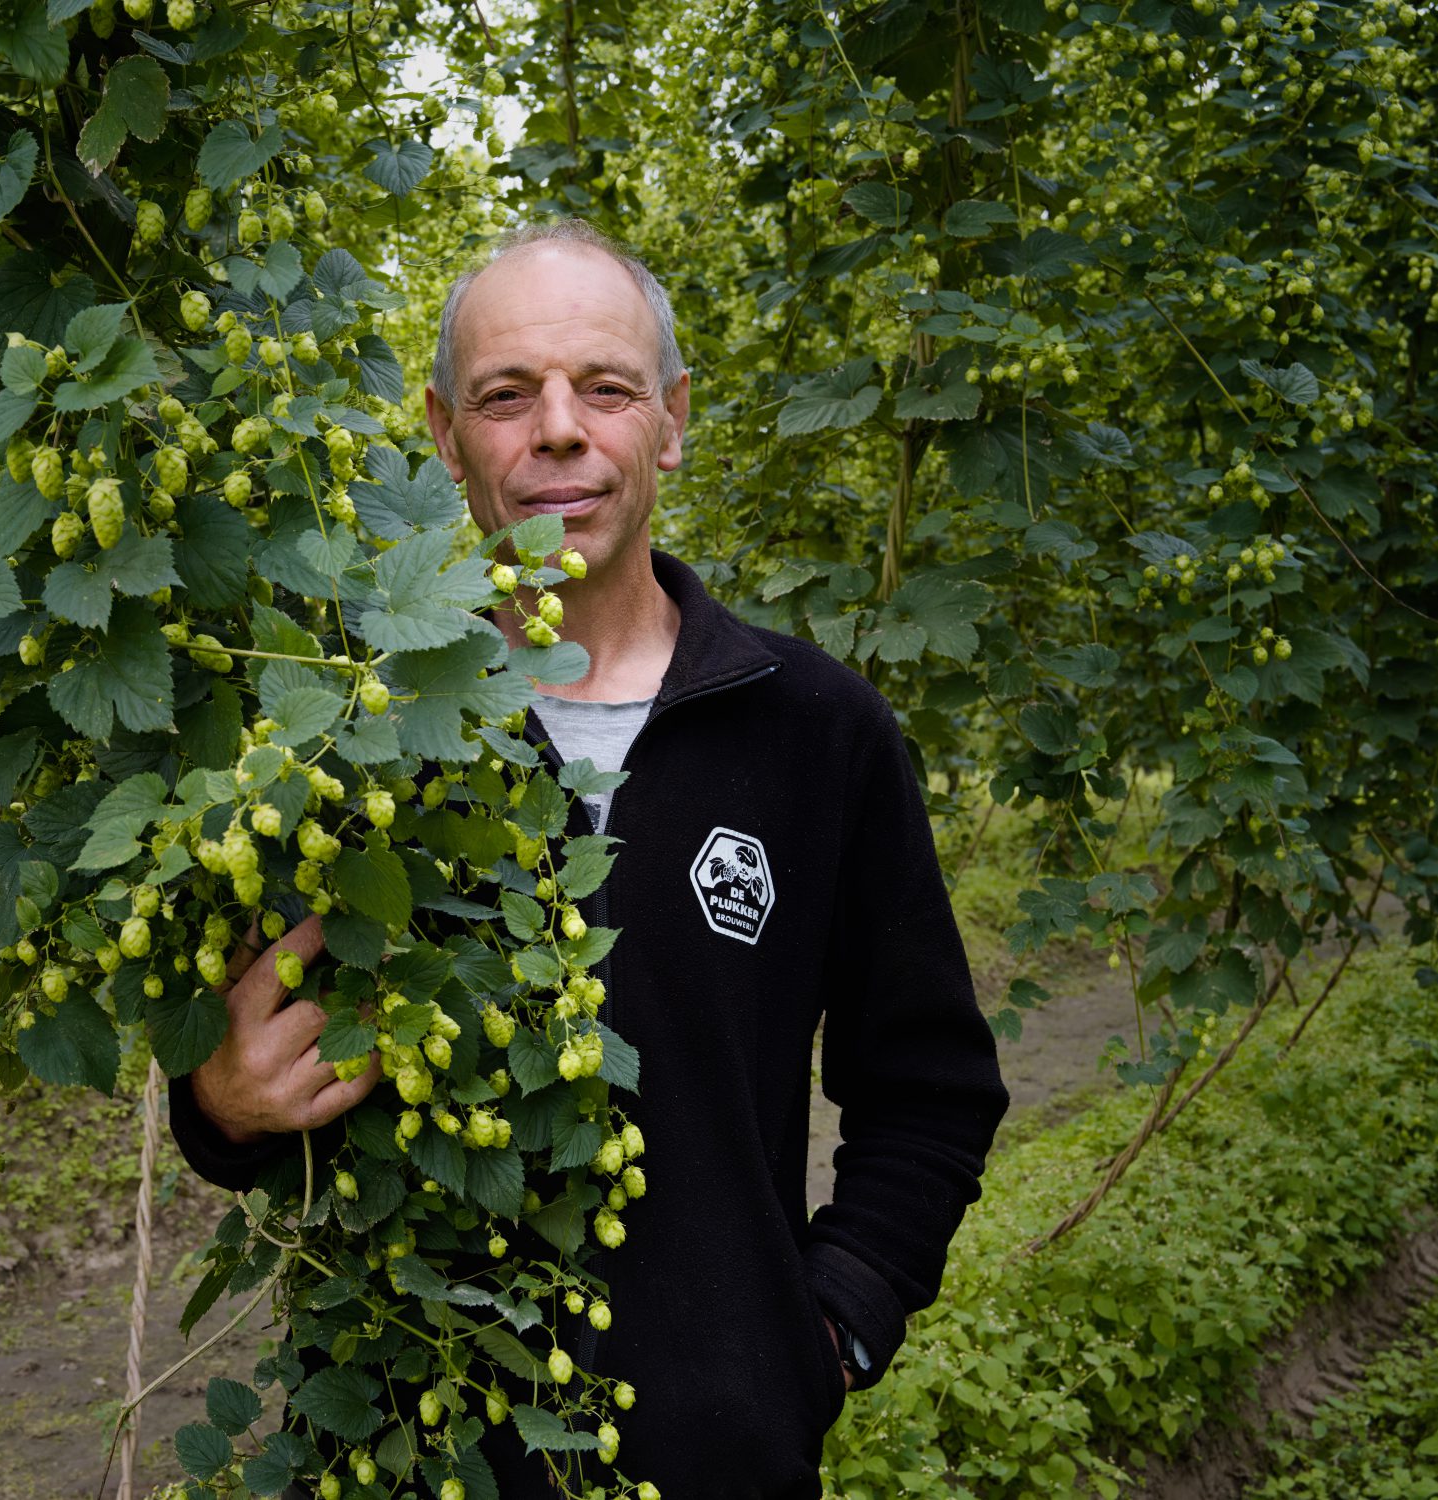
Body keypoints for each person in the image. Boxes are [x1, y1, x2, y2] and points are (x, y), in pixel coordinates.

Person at [168, 219, 1010, 1499]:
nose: (559, 430)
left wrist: (828, 1328)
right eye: (509, 397)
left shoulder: (813, 732)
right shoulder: (342, 739)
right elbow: (241, 1073)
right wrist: (218, 1108)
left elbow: (932, 1090)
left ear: (668, 420)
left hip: (723, 1468)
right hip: (414, 1461)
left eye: (604, 388)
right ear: (447, 434)